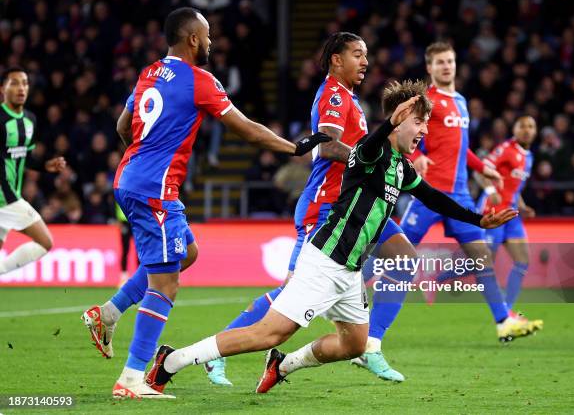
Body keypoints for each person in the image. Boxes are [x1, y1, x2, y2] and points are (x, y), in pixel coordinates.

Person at [144, 80, 517, 396]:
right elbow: (370, 147)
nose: (423, 132)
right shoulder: (367, 154)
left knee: (353, 343)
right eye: (419, 122)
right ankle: (171, 360)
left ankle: (283, 366)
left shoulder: (401, 168)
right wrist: (388, 124)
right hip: (324, 261)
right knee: (268, 332)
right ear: (399, 118)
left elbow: (433, 196)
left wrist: (479, 219)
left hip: (350, 272)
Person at [80, 7, 329, 399]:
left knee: (187, 253)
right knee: (167, 284)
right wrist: (294, 147)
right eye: (208, 35)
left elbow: (122, 127)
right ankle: (130, 379)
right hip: (153, 190)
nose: (212, 42)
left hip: (130, 179)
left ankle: (108, 313)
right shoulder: (200, 80)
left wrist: (143, 160)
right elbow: (247, 129)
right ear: (193, 38)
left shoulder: (149, 72)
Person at [205, 32, 423, 385]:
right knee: (292, 288)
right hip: (326, 206)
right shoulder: (334, 94)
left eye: (366, 55)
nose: (365, 61)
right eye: (357, 54)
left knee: (405, 258)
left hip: (358, 207)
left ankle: (371, 344)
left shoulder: (351, 98)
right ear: (336, 60)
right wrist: (366, 159)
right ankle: (217, 353)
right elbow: (325, 146)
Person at [394, 42, 541, 345]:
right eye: (440, 62)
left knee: (481, 258)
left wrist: (481, 168)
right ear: (430, 68)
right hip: (429, 192)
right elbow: (400, 133)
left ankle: (503, 322)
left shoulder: (461, 101)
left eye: (450, 61)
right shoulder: (425, 100)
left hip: (459, 196)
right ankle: (346, 286)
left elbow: (461, 147)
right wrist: (415, 156)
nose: (447, 66)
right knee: (396, 254)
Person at [0, 66, 66, 276]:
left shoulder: (30, 119)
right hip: (5, 199)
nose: (21, 88)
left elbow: (25, 157)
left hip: (10, 197)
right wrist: (12, 199)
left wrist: (45, 165)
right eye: (15, 83)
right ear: (3, 88)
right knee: (45, 241)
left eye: (25, 83)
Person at [476, 116, 540, 311]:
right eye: (523, 126)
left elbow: (515, 188)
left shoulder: (528, 156)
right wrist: (490, 191)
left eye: (531, 126)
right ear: (515, 129)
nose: (527, 130)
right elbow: (480, 171)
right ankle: (443, 279)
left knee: (522, 261)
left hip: (511, 215)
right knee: (484, 264)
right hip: (492, 213)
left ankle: (506, 310)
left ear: (535, 131)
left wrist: (522, 205)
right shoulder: (505, 149)